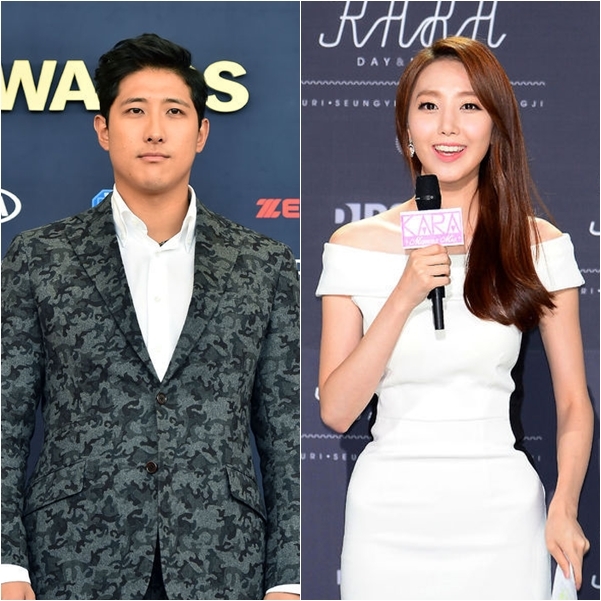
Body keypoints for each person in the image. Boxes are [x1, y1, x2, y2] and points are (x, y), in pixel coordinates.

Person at [1, 33, 299, 601]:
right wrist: (5, 565)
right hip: (72, 559)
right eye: (135, 111)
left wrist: (290, 575)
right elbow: (4, 425)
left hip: (222, 565)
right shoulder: (39, 257)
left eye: (174, 112)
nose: (155, 130)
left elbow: (286, 439)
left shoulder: (263, 264)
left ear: (202, 132)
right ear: (103, 129)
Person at [316, 36, 593, 600]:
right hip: (387, 518)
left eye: (469, 105)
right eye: (428, 105)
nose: (448, 126)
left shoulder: (539, 245)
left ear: (495, 125)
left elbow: (573, 402)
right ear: (406, 128)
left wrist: (564, 506)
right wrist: (405, 292)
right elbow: (338, 412)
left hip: (501, 515)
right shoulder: (354, 245)